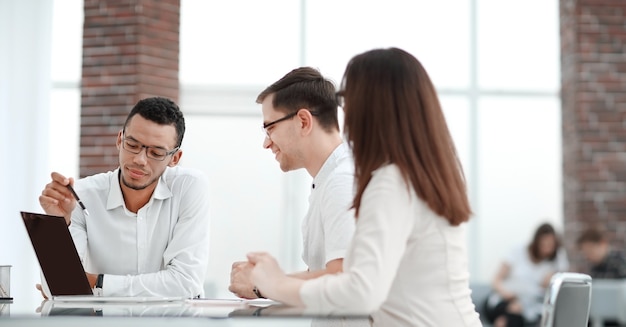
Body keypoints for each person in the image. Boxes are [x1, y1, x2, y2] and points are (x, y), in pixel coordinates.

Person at [242, 48, 482, 326]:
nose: (343, 111)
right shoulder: (417, 176)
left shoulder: (391, 182)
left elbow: (360, 290)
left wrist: (274, 285)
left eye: (346, 98)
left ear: (371, 106)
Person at [37, 97, 210, 298]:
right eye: (132, 145)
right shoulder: (81, 196)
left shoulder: (189, 187)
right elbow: (59, 287)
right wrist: (59, 224)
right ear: (120, 140)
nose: (139, 160)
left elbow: (186, 283)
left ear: (175, 159)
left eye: (155, 152)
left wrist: (96, 282)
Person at [228, 67, 356, 300]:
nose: (266, 143)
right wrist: (266, 282)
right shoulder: (329, 179)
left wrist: (263, 285)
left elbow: (343, 278)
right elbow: (323, 273)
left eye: (270, 128)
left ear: (304, 121)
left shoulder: (341, 182)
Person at [486, 222, 569, 327]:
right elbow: (496, 280)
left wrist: (550, 281)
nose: (547, 249)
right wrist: (509, 296)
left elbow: (561, 288)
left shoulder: (557, 258)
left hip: (531, 306)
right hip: (505, 299)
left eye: (550, 246)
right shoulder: (516, 251)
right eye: (543, 245)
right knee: (512, 315)